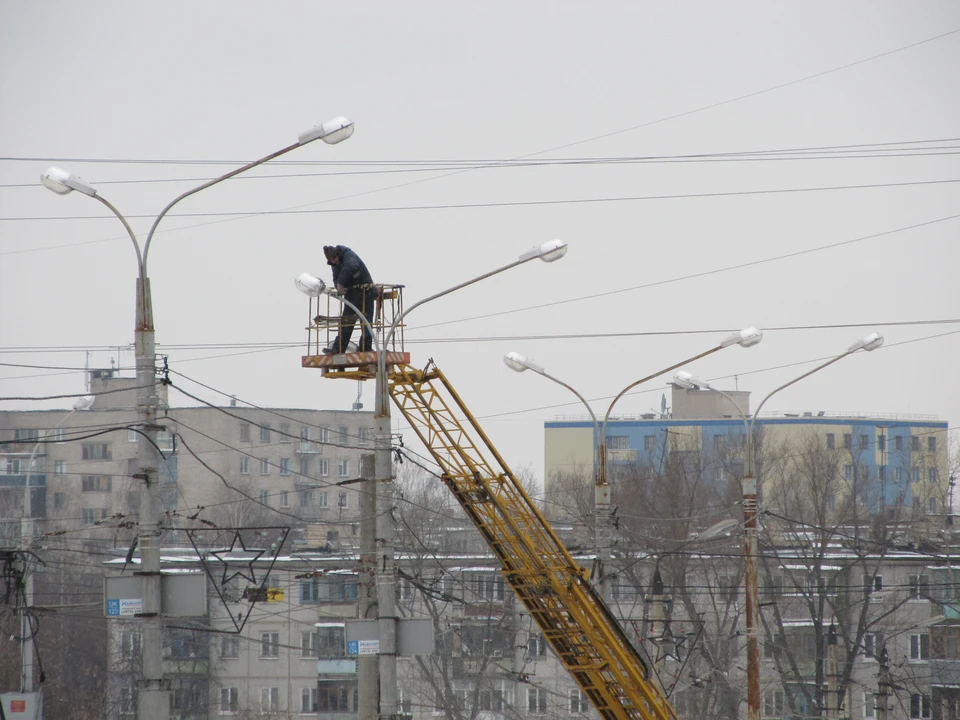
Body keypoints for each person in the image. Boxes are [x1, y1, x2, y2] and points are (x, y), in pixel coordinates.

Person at [322, 245, 376, 354]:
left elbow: (350, 267)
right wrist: (338, 287)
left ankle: (366, 348)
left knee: (366, 322)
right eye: (332, 261)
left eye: (335, 260)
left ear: (338, 255)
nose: (334, 262)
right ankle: (338, 349)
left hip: (366, 292)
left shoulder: (349, 256)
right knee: (346, 322)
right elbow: (336, 277)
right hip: (352, 295)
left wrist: (341, 282)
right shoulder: (334, 263)